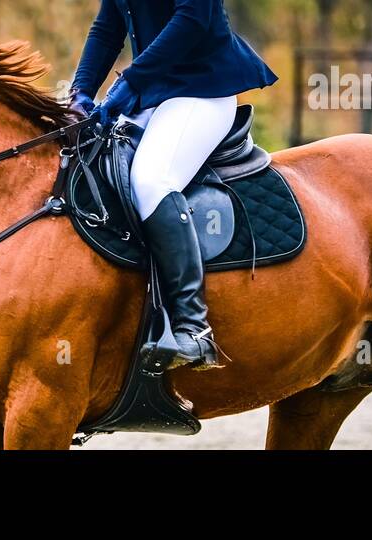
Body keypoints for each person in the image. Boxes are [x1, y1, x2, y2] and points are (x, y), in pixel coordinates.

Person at [69, 0, 278, 370]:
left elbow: (194, 18)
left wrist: (132, 81)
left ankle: (193, 328)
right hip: (151, 92)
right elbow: (107, 28)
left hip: (201, 91)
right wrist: (79, 92)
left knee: (151, 181)